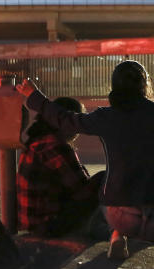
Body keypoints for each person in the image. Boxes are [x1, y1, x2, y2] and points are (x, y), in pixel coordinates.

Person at [15, 61, 154, 263]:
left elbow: (68, 119)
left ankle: (117, 235)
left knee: (106, 182)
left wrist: (34, 96)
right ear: (145, 86)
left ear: (114, 86)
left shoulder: (107, 117)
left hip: (122, 217)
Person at [17, 96, 105, 237]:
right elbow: (81, 189)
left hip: (31, 224)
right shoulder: (56, 146)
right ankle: (113, 228)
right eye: (75, 123)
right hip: (49, 226)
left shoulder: (35, 142)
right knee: (104, 178)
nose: (78, 130)